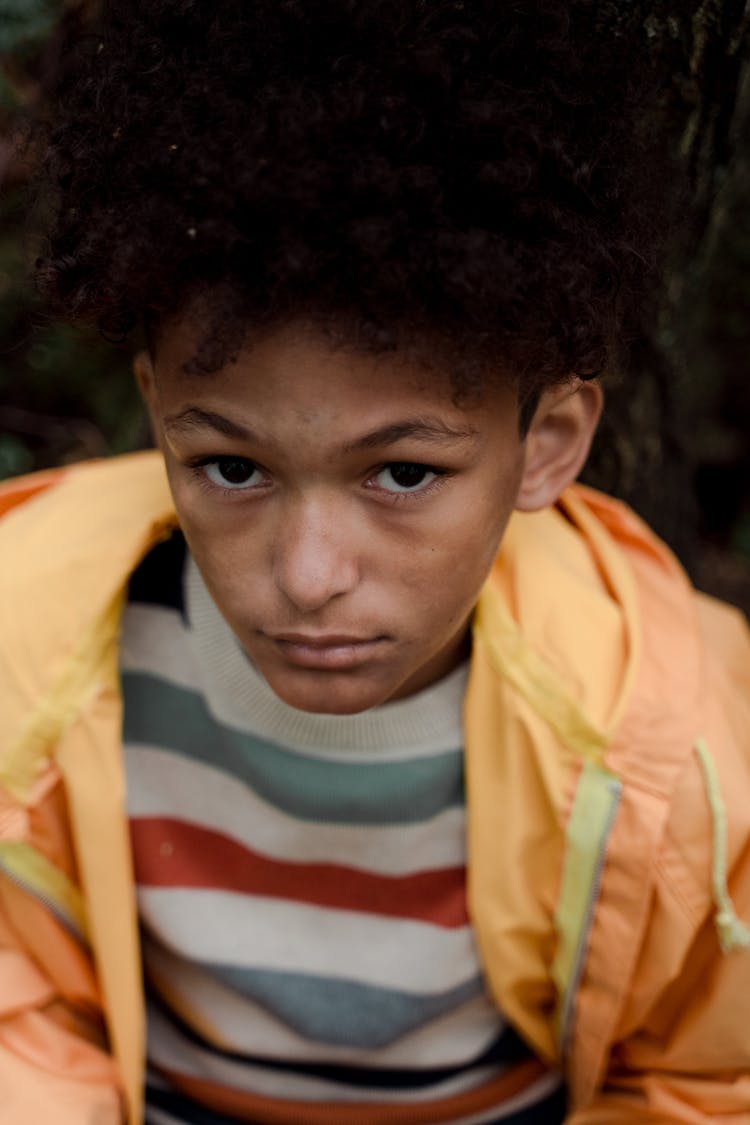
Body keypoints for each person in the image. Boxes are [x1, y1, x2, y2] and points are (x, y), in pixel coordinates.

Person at [1, 2, 749, 1123]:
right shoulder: (23, 649)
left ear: (546, 445)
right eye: (232, 466)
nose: (306, 577)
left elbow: (703, 1079)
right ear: (157, 411)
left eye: (401, 475)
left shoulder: (677, 744)